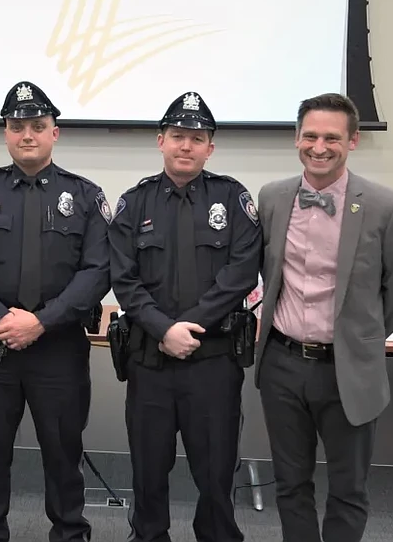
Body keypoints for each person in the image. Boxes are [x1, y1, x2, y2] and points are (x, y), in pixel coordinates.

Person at [0, 81, 111, 542]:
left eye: (38, 126)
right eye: (18, 127)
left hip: (58, 349)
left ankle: (70, 534)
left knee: (63, 455)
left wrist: (41, 321)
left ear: (55, 132)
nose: (28, 135)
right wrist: (3, 319)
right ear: (6, 133)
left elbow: (98, 271)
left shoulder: (85, 196)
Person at [255, 93, 393, 542]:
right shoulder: (273, 198)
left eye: (331, 137)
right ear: (296, 138)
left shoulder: (387, 206)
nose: (318, 146)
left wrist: (361, 338)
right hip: (282, 365)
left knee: (348, 489)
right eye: (310, 136)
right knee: (290, 484)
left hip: (349, 370)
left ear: (353, 141)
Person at [108, 92, 262, 542]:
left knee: (215, 475)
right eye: (178, 136)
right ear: (161, 140)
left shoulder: (232, 199)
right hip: (150, 362)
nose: (186, 145)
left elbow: (240, 273)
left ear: (210, 148)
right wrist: (163, 329)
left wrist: (187, 327)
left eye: (198, 138)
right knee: (147, 472)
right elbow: (124, 277)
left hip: (212, 362)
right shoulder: (134, 203)